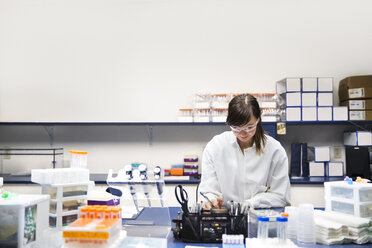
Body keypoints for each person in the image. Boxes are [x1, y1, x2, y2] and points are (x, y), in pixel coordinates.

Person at [198, 93, 291, 210]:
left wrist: (254, 202)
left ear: (259, 118)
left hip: (260, 217)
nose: (242, 133)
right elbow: (207, 190)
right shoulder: (215, 147)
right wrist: (211, 200)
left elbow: (281, 196)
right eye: (236, 128)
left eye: (249, 127)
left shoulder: (275, 150)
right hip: (225, 217)